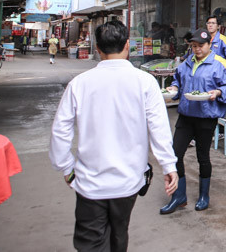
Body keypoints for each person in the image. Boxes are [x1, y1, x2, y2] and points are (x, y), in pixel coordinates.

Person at [49, 21, 178, 252]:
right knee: (119, 233)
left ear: (98, 49)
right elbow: (159, 127)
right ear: (128, 45)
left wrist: (66, 168)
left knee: (91, 242)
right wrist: (169, 166)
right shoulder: (145, 82)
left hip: (89, 184)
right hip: (128, 182)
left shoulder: (79, 84)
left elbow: (61, 129)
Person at [161, 28, 226, 214]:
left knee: (202, 157)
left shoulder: (220, 64)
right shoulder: (188, 62)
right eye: (194, 46)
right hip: (186, 115)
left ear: (209, 45)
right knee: (175, 154)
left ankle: (204, 196)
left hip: (207, 117)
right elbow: (178, 81)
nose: (196, 50)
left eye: (200, 46)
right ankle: (179, 196)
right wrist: (173, 87)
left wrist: (218, 92)